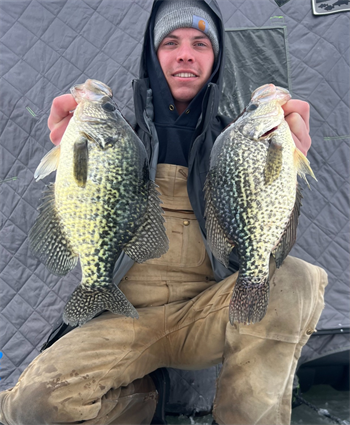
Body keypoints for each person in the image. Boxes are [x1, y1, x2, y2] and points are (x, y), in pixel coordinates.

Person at [0, 1, 327, 424]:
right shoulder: (118, 135)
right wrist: (68, 153)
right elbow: (75, 207)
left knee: (295, 278)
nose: (185, 53)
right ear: (153, 56)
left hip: (205, 313)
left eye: (200, 43)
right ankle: (141, 396)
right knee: (34, 405)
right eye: (170, 43)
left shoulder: (240, 139)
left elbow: (259, 237)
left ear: (216, 58)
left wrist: (284, 173)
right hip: (123, 315)